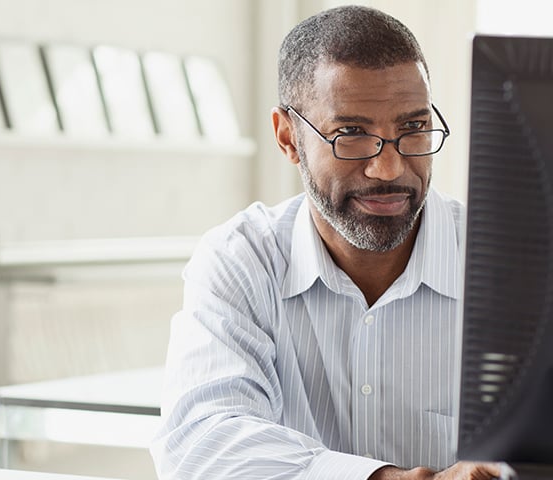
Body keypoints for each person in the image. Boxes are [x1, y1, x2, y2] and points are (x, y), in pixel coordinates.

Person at [150, 6, 507, 480]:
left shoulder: (507, 261)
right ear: (288, 137)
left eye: (413, 129)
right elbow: (202, 443)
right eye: (352, 134)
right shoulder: (242, 259)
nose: (390, 169)